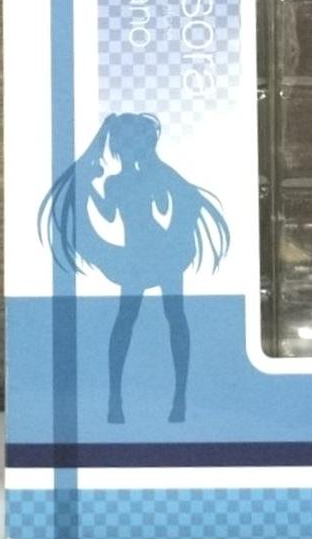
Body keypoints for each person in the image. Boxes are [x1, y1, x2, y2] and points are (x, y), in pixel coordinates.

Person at [38, 112, 229, 423]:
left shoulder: (143, 178)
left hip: (159, 251)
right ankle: (119, 400)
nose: (127, 151)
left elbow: (163, 205)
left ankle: (175, 399)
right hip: (140, 255)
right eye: (124, 144)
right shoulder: (117, 182)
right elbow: (110, 213)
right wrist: (91, 185)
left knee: (167, 316)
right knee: (138, 318)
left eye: (131, 144)